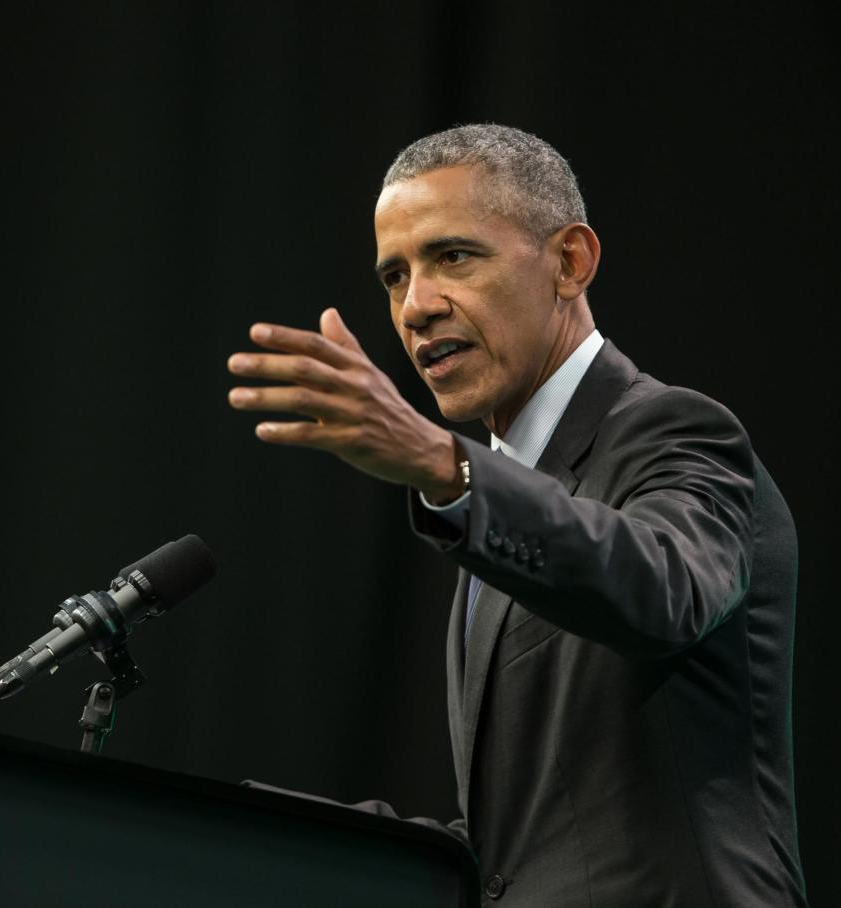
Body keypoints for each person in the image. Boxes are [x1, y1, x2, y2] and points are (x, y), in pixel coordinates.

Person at [227, 124, 807, 906]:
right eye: (394, 277)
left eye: (453, 257)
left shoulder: (671, 429)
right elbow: (523, 850)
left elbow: (668, 591)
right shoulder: (496, 496)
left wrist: (446, 465)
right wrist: (248, 834)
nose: (416, 307)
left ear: (570, 262)